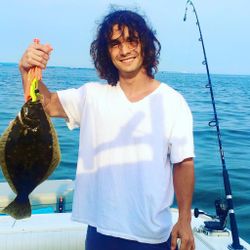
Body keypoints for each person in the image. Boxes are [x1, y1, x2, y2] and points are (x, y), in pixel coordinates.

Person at [19, 9, 195, 250]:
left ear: (145, 44)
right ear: (106, 51)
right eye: (115, 44)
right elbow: (46, 104)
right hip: (100, 231)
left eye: (132, 40)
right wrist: (28, 72)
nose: (124, 50)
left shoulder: (173, 102)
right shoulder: (92, 95)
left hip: (151, 235)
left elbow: (184, 163)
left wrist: (184, 220)